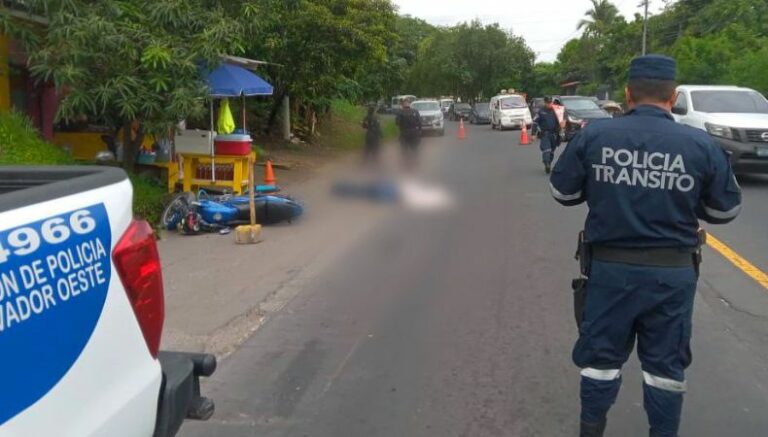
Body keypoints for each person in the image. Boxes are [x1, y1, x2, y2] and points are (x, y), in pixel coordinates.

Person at [550, 55, 742, 437]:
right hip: (672, 276)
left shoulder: (595, 136)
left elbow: (563, 192)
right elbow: (725, 209)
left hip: (609, 273)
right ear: (673, 96)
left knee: (600, 362)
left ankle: (591, 430)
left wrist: (604, 187)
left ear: (627, 94)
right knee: (664, 370)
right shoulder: (699, 144)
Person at [533, 97, 561, 174]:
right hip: (545, 134)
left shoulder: (556, 111)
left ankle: (549, 162)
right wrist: (533, 133)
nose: (549, 104)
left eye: (550, 102)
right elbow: (535, 122)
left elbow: (561, 121)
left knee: (552, 151)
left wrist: (560, 131)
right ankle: (546, 163)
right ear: (545, 103)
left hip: (554, 134)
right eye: (548, 103)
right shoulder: (540, 112)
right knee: (547, 149)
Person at [395, 98, 421, 169]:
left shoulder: (400, 112)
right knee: (414, 148)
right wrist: (419, 131)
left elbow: (397, 123)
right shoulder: (415, 111)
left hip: (404, 132)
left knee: (404, 149)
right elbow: (419, 122)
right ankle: (416, 163)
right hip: (414, 132)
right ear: (410, 104)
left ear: (403, 104)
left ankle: (406, 163)